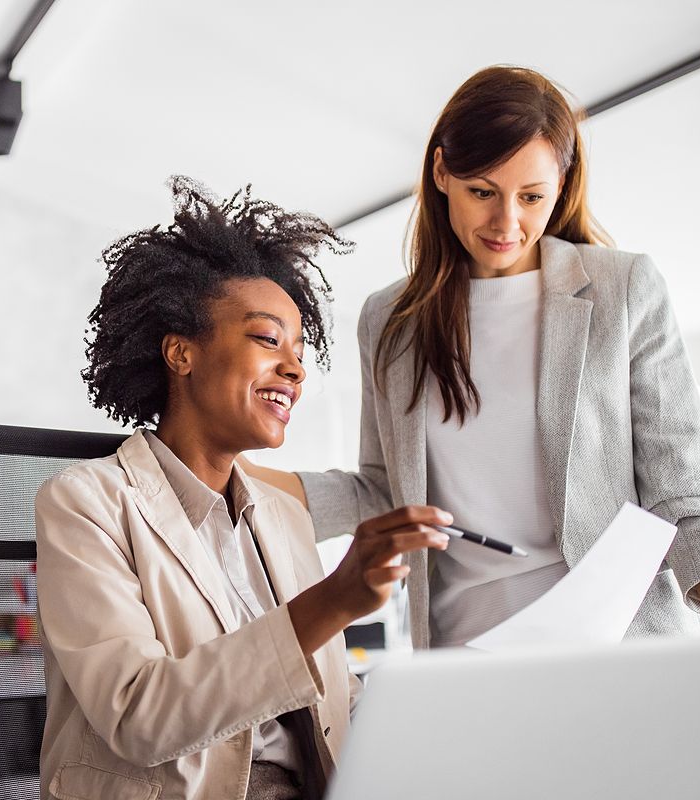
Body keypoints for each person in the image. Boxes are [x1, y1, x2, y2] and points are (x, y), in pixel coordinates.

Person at [240, 65, 700, 772]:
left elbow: (684, 491)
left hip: (622, 661)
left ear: (563, 184)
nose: (507, 223)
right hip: (471, 673)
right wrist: (231, 476)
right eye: (482, 193)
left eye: (532, 196)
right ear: (440, 173)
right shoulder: (391, 321)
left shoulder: (622, 290)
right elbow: (382, 492)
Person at [35, 177, 451, 800]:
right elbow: (137, 715)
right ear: (181, 353)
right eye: (266, 339)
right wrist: (332, 601)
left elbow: (335, 700)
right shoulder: (85, 503)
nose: (295, 367)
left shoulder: (283, 517)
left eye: (300, 349)